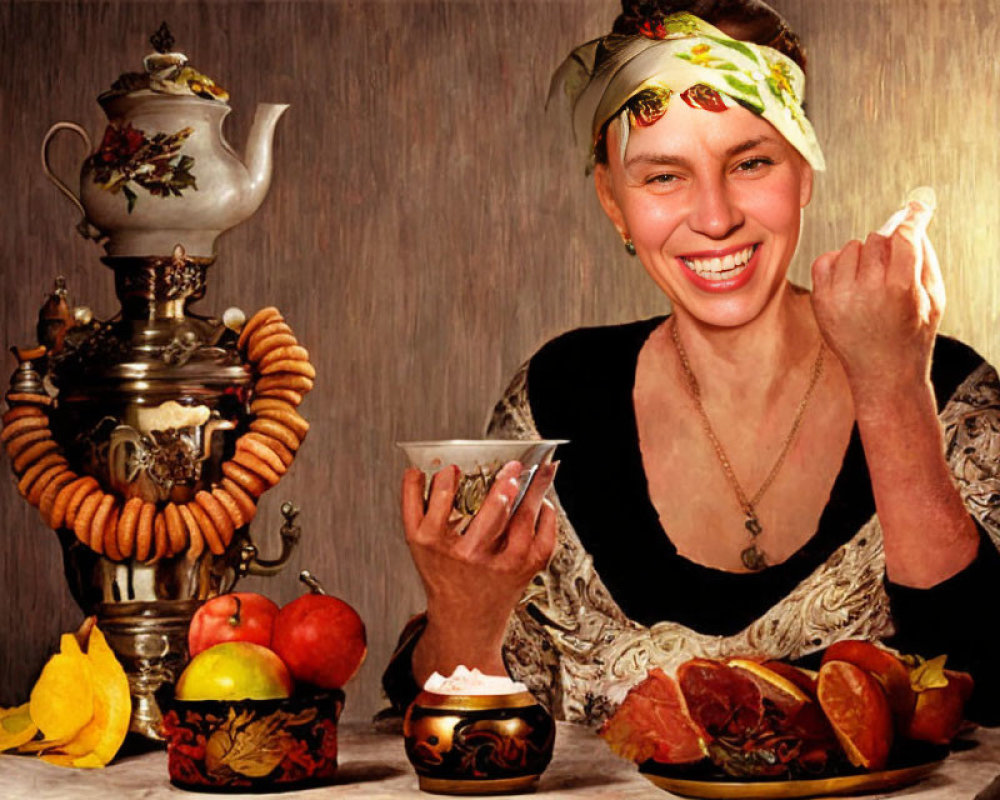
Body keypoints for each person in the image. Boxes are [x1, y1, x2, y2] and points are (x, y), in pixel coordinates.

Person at [384, 0, 1000, 727]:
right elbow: (473, 722)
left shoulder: (949, 390)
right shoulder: (558, 397)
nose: (714, 218)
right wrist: (460, 613)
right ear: (613, 201)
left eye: (751, 163)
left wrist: (892, 386)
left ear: (804, 171)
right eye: (663, 177)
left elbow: (986, 688)